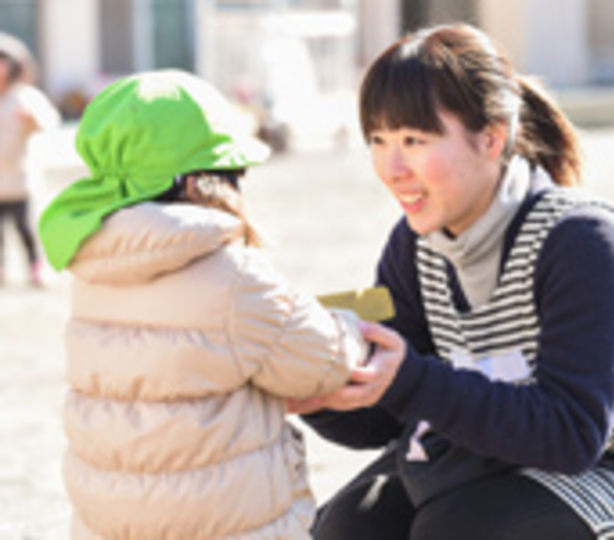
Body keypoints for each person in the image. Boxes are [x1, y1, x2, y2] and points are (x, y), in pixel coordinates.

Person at [291, 24, 614, 539]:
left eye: (414, 139)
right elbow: (394, 419)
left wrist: (408, 378)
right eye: (379, 141)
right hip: (511, 461)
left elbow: (570, 432)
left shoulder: (582, 240)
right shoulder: (415, 247)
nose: (392, 167)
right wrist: (322, 391)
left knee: (458, 529)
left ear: (492, 137)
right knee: (350, 526)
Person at [37, 70, 368, 539]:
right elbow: (321, 363)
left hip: (112, 522)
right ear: (201, 183)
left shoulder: (94, 268)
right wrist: (349, 325)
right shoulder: (234, 275)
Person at [0, 32, 60, 286]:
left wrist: (33, 121)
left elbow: (49, 122)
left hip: (20, 178)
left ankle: (35, 267)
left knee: (25, 228)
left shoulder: (25, 96)